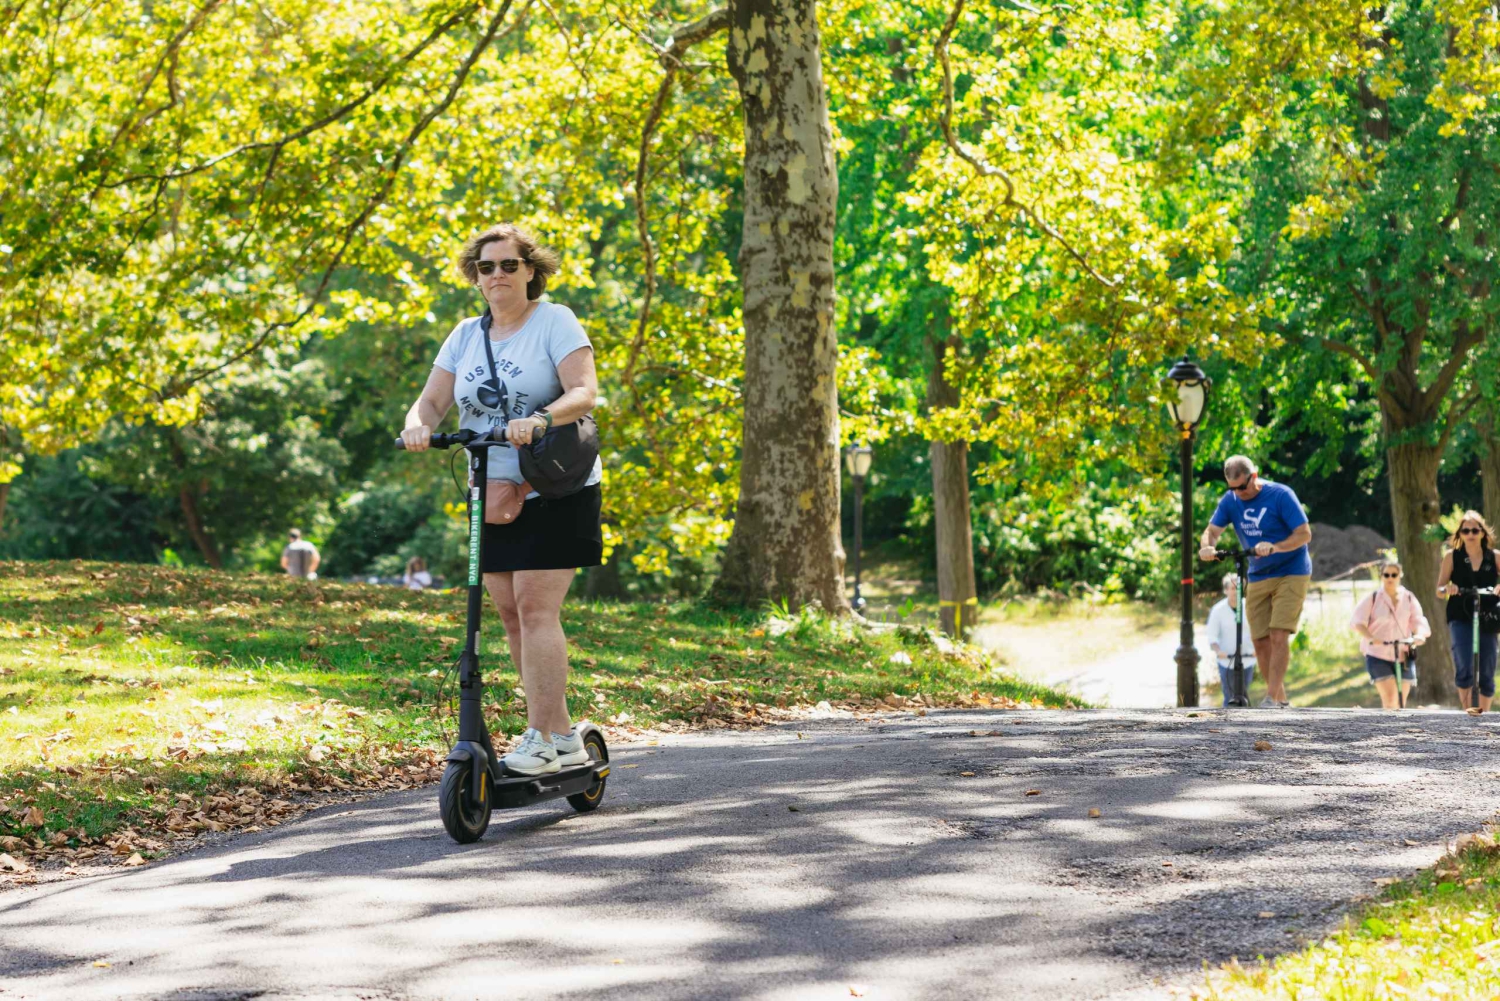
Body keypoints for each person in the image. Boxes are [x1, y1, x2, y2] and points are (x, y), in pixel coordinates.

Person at [400, 223, 602, 776]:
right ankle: (562, 737)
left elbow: (584, 391)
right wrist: (418, 425)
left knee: (536, 609)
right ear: (476, 276)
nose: (497, 275)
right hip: (489, 489)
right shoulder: (466, 334)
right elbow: (431, 401)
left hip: (553, 485)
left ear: (530, 270)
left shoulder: (554, 320)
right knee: (511, 616)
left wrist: (539, 418)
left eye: (509, 265)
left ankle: (541, 737)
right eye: (486, 267)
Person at [1199, 455, 1313, 708]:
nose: (1238, 493)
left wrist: (1275, 546)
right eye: (1233, 488)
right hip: (1259, 573)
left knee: (1278, 633)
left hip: (1291, 570)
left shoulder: (1280, 495)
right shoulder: (1231, 500)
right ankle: (1280, 702)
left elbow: (1304, 534)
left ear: (1254, 476)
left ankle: (1271, 698)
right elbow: (1212, 531)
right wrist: (1207, 547)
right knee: (1260, 640)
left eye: (1242, 486)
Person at [1435, 511, 1500, 715]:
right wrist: (1449, 588)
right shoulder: (1451, 556)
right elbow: (1439, 590)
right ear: (1460, 534)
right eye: (1465, 531)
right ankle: (1468, 714)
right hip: (1460, 615)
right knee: (1464, 663)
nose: (1470, 534)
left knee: (1487, 666)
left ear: (1482, 532)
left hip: (1488, 616)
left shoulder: (1495, 556)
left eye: (1474, 530)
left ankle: (1484, 715)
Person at [1351, 559, 1429, 710]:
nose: (1390, 578)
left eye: (1394, 575)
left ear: (1400, 576)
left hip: (1403, 653)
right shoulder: (1373, 597)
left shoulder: (1408, 597)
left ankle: (1399, 724)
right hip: (1378, 654)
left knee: (1401, 702)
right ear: (1381, 576)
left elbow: (1418, 620)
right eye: (1386, 575)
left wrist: (1419, 635)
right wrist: (1371, 638)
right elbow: (1358, 621)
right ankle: (1387, 724)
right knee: (1390, 699)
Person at [1205, 574, 1258, 706]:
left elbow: (1258, 630)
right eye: (1233, 588)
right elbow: (1212, 636)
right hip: (1227, 661)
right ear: (1226, 590)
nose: (1236, 592)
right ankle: (1228, 717)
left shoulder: (1250, 607)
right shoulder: (1218, 610)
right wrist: (1218, 651)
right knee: (1230, 696)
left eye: (1239, 589)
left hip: (1247, 659)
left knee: (1243, 695)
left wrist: (1258, 648)